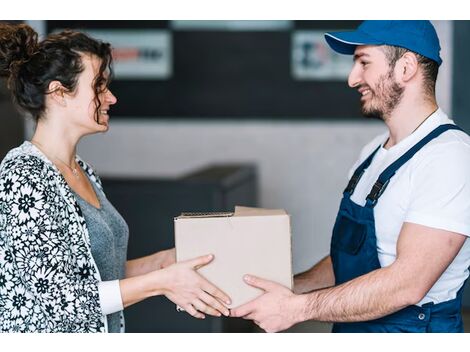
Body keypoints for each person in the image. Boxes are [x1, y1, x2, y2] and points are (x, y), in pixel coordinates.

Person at [231, 20, 470, 333]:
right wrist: (284, 289)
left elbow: (408, 284)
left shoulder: (450, 157)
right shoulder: (373, 152)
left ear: (406, 67)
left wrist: (295, 308)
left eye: (364, 63)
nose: (352, 78)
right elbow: (346, 261)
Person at [0, 23, 231, 333]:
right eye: (98, 86)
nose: (111, 98)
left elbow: (96, 274)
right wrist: (161, 282)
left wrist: (161, 263)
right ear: (58, 94)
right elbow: (63, 301)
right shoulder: (23, 177)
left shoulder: (81, 170)